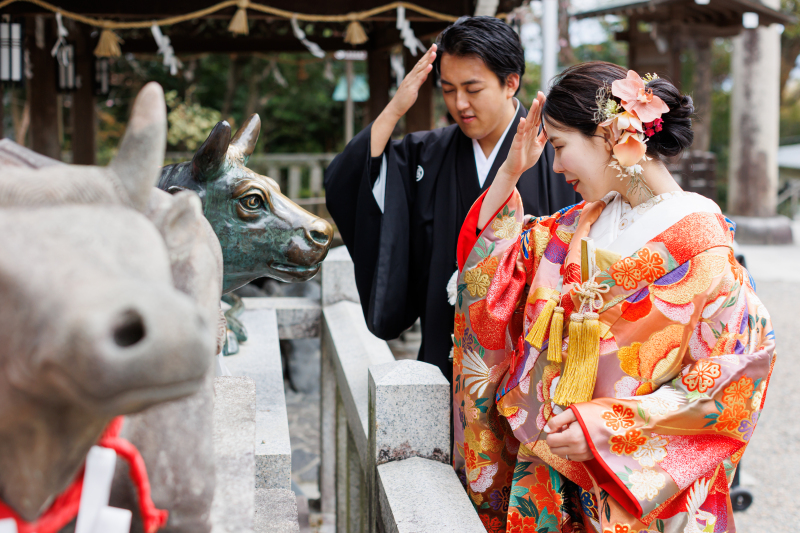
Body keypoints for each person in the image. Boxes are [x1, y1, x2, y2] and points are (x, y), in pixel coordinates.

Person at [453, 62, 775, 532]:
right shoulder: (571, 227)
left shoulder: (705, 253)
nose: (557, 166)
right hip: (546, 472)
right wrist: (509, 171)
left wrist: (612, 427)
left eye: (560, 147)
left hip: (627, 484)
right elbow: (486, 274)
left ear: (611, 136)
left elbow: (731, 384)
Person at [324, 17, 580, 380]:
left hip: (531, 364)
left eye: (472, 89)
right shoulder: (427, 153)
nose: (460, 104)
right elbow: (348, 183)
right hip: (448, 356)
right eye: (447, 89)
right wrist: (395, 108)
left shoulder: (556, 153)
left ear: (511, 83)